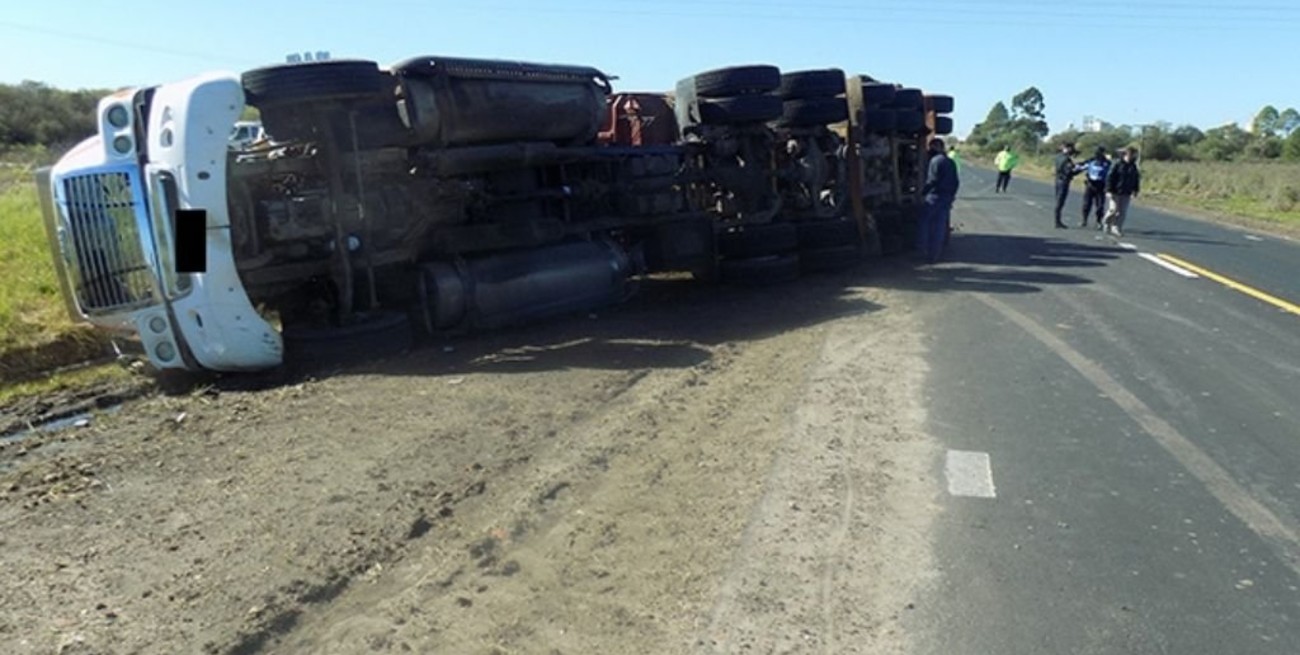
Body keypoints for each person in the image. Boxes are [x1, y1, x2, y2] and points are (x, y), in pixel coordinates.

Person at [918, 137, 960, 263]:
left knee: (924, 222)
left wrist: (922, 193)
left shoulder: (935, 161)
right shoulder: (950, 162)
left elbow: (932, 180)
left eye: (931, 147)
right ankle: (935, 254)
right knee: (940, 225)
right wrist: (952, 196)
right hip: (946, 197)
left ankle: (922, 249)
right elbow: (956, 182)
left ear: (935, 147)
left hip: (934, 196)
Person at [1102, 146, 1141, 237]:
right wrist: (1108, 190)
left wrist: (1135, 190)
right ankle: (1106, 222)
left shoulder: (1133, 166)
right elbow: (1110, 177)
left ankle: (1116, 227)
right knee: (1113, 210)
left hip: (1126, 192)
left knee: (1122, 212)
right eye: (1131, 154)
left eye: (1134, 155)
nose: (1132, 156)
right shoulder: (1117, 164)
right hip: (1115, 191)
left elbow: (1136, 179)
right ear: (1126, 154)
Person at [1052, 142, 1084, 229]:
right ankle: (1057, 221)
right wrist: (1080, 169)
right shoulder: (1066, 159)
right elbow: (1069, 172)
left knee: (1058, 200)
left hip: (1057, 180)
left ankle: (1057, 220)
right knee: (1060, 202)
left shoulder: (1058, 157)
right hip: (1064, 181)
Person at [1078, 146, 1111, 228]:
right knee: (1086, 204)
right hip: (1090, 185)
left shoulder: (1107, 163)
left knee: (1100, 205)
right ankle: (1084, 220)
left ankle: (1098, 221)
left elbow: (1110, 174)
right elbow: (1081, 167)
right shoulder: (1091, 160)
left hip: (1101, 186)